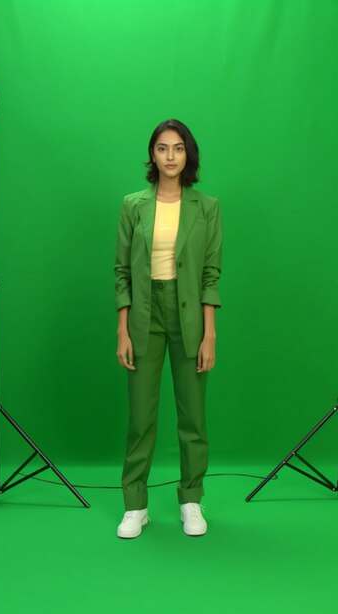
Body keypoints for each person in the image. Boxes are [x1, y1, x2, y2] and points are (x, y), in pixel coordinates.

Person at [114, 119, 222, 539]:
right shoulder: (132, 205)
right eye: (162, 148)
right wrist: (123, 328)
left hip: (190, 315)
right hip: (144, 314)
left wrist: (209, 332)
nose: (170, 156)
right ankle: (135, 505)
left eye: (178, 148)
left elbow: (211, 273)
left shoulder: (207, 207)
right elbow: (122, 271)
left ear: (187, 155)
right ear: (153, 155)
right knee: (140, 417)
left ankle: (191, 499)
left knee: (193, 416)